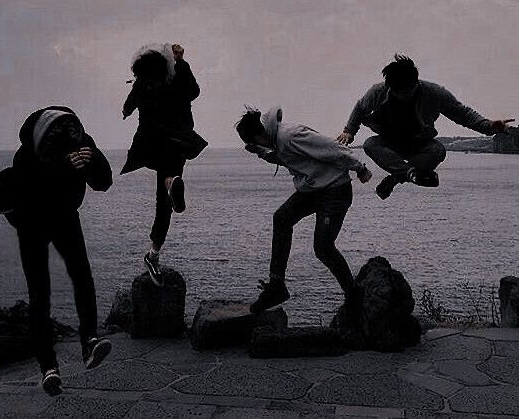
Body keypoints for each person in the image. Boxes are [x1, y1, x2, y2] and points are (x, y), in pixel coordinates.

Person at [0, 106, 113, 396]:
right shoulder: (25, 157)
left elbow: (103, 183)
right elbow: (30, 192)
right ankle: (49, 367)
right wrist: (64, 166)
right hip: (32, 221)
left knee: (82, 276)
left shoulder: (82, 142)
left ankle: (90, 342)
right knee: (40, 293)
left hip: (64, 216)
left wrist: (93, 161)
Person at [236, 107, 372, 314]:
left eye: (254, 142)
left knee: (323, 247)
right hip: (312, 190)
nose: (256, 145)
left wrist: (359, 168)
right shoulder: (276, 141)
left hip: (335, 189)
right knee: (281, 219)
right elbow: (288, 158)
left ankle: (353, 294)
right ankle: (277, 285)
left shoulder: (291, 135)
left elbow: (333, 148)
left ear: (259, 134)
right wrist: (262, 153)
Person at [337, 54, 514, 199]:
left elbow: (463, 114)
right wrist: (349, 131)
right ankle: (409, 174)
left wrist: (489, 126)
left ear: (416, 84)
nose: (400, 96)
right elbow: (360, 108)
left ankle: (395, 179)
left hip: (418, 143)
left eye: (405, 92)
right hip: (388, 142)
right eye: (396, 92)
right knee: (369, 144)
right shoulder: (378, 92)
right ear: (390, 86)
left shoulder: (434, 93)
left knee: (438, 150)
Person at [121, 43, 207, 287]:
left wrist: (128, 108)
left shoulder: (142, 84)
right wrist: (180, 62)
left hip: (152, 144)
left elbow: (127, 107)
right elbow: (194, 91)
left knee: (163, 201)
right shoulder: (176, 80)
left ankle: (154, 253)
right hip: (177, 142)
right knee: (167, 196)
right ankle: (171, 185)